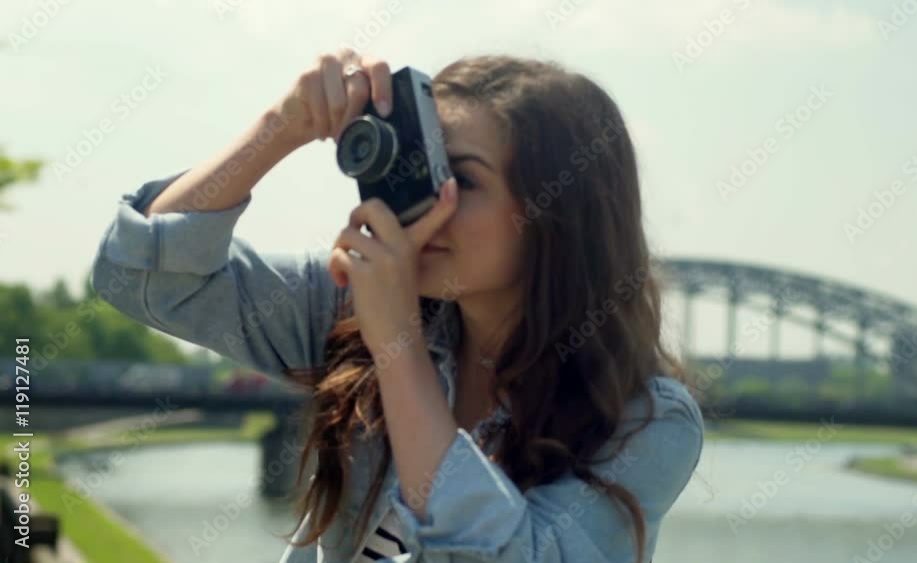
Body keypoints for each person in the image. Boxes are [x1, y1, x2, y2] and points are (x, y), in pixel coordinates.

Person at [90, 48, 704, 563]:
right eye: (417, 171)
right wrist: (282, 127)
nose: (424, 205)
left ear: (558, 216)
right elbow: (143, 277)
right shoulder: (353, 311)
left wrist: (397, 345)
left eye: (461, 180)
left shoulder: (645, 420)